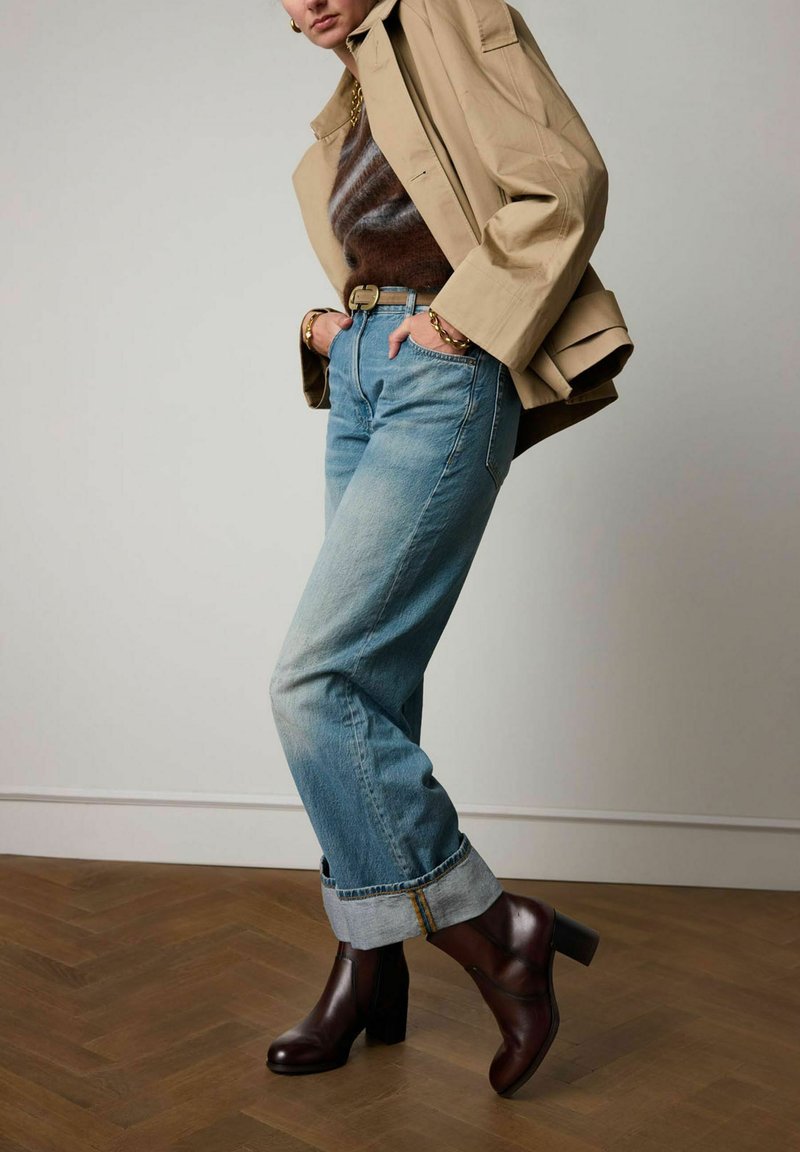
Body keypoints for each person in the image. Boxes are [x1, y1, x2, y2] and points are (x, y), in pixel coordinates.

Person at [267, 0, 607, 1099]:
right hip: (369, 369)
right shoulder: (352, 87)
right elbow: (394, 225)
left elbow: (563, 180)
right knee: (368, 685)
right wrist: (336, 327)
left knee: (313, 683)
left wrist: (460, 322)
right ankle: (370, 970)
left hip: (440, 371)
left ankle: (495, 930)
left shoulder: (449, 12)